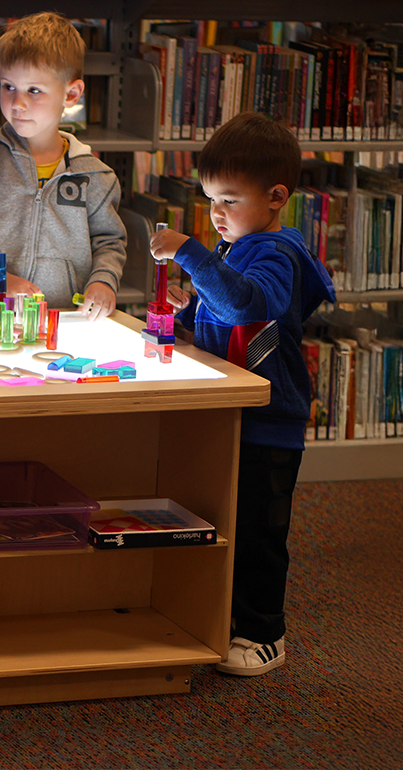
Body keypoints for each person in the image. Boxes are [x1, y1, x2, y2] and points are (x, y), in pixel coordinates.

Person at [147, 112, 336, 676]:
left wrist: (190, 254)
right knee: (224, 519)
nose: (216, 215)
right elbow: (229, 320)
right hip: (233, 415)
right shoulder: (242, 246)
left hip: (267, 423)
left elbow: (252, 307)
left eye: (228, 201)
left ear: (276, 197)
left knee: (258, 534)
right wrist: (190, 314)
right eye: (210, 201)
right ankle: (223, 616)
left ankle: (263, 632)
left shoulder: (275, 253)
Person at [0, 11, 126, 320]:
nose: (17, 103)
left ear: (71, 94)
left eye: (34, 90)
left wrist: (104, 281)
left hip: (60, 324)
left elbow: (110, 242)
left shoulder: (97, 175)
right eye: (8, 87)